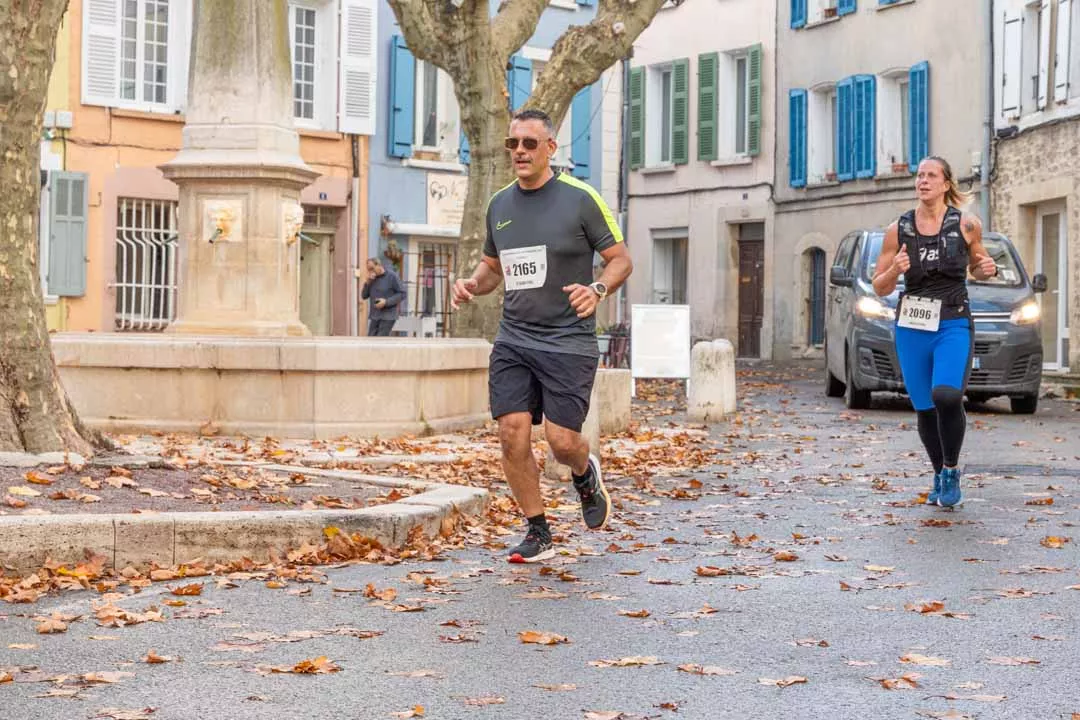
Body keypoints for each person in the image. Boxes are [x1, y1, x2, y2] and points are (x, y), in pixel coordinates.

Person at [451, 108, 633, 563]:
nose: (519, 151)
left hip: (568, 339)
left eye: (529, 143)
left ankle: (583, 473)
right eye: (512, 143)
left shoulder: (580, 199)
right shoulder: (499, 205)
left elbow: (620, 260)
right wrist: (472, 284)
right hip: (515, 337)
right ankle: (538, 531)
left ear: (550, 148)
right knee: (511, 434)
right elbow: (493, 268)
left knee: (561, 442)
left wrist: (597, 289)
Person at [872, 156, 998, 508]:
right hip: (913, 325)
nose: (923, 181)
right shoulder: (898, 230)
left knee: (946, 396)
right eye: (919, 175)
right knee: (925, 408)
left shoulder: (967, 225)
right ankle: (939, 473)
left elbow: (979, 267)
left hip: (953, 321)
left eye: (931, 175)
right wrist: (894, 270)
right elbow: (879, 286)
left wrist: (987, 268)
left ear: (946, 184)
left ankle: (952, 469)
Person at [362, 257, 406, 336]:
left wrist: (386, 302)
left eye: (372, 268)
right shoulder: (372, 279)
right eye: (369, 270)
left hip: (388, 316)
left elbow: (402, 294)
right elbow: (364, 296)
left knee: (380, 340)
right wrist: (367, 283)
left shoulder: (392, 276)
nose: (371, 272)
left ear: (379, 265)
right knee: (370, 339)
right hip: (375, 316)